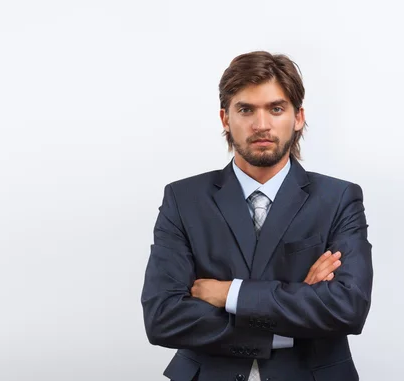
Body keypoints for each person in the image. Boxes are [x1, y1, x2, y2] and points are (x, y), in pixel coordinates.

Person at [141, 51, 373, 381]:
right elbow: (163, 317)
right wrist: (298, 305)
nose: (261, 125)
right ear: (225, 118)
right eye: (246, 109)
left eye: (276, 109)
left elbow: (346, 309)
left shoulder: (338, 199)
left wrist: (229, 295)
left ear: (298, 117)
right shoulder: (183, 198)